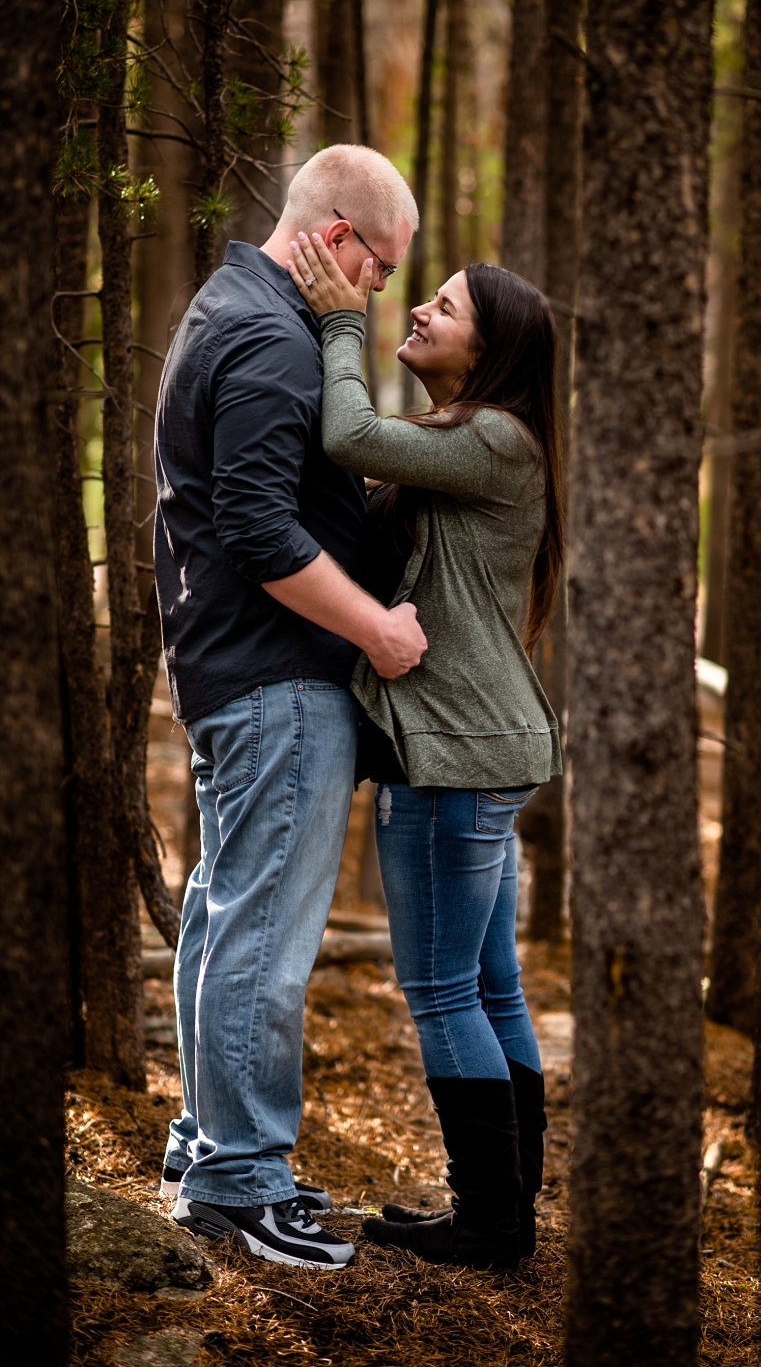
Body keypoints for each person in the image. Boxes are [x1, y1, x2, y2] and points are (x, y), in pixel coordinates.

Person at [156, 145, 424, 1270]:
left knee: (224, 913)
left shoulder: (232, 307)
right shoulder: (271, 339)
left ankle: (203, 1145)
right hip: (275, 676)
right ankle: (239, 1178)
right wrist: (378, 628)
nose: (377, 294)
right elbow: (263, 533)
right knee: (262, 935)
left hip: (234, 673)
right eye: (379, 269)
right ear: (333, 234)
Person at [283, 225, 563, 1271]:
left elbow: (350, 435)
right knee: (490, 985)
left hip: (452, 753)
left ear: (486, 353)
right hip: (482, 745)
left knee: (446, 990)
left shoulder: (496, 437)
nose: (419, 311)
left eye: (441, 307)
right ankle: (507, 1206)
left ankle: (493, 1220)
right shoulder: (483, 440)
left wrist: (338, 322)